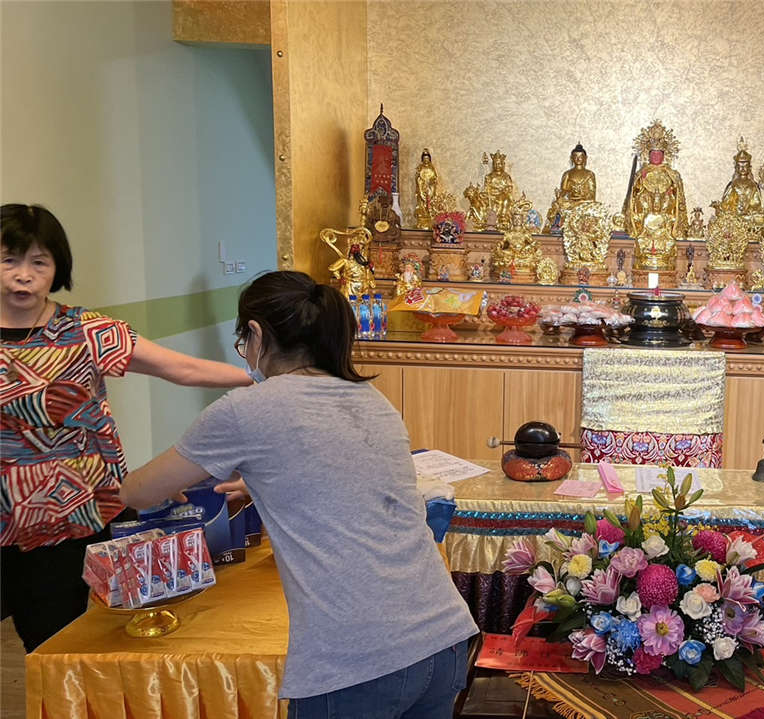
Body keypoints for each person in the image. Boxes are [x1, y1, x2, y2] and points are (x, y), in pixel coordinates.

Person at [120, 270, 478, 718]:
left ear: (255, 333)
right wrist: (258, 482)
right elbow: (346, 472)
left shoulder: (245, 409)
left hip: (357, 660)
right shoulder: (371, 399)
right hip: (443, 637)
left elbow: (138, 492)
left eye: (243, 341)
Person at [0, 203, 250, 652]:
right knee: (38, 640)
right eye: (9, 260)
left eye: (38, 262)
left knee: (76, 641)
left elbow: (182, 369)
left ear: (57, 267)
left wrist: (263, 378)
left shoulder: (87, 331)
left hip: (85, 513)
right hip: (9, 519)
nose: (24, 276)